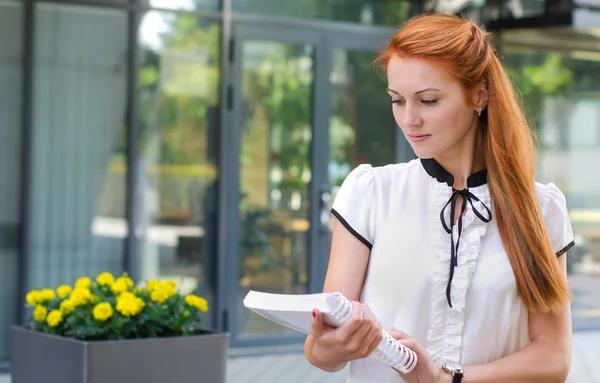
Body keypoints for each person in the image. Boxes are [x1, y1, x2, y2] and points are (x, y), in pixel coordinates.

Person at [304, 13, 574, 383]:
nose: (409, 119)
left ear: (479, 95)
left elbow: (553, 358)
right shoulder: (371, 194)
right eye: (397, 101)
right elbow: (321, 352)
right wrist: (332, 346)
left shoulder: (542, 209)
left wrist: (448, 379)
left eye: (428, 101)